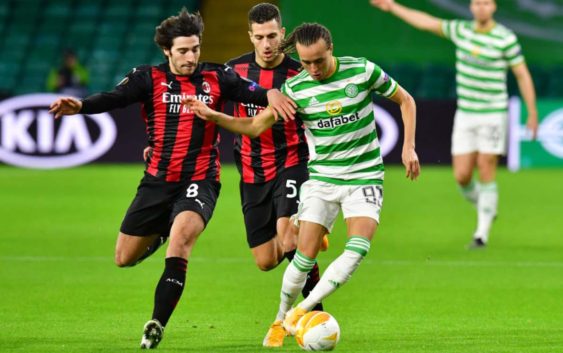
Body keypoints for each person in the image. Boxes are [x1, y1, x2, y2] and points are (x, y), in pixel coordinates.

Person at [48, 8, 295, 350]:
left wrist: (271, 93)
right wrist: (81, 106)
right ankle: (163, 228)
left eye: (195, 48)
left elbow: (252, 90)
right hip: (157, 181)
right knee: (124, 257)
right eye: (183, 50)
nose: (191, 56)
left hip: (201, 180)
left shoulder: (217, 76)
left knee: (182, 243)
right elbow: (114, 98)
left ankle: (156, 324)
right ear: (167, 50)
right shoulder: (147, 78)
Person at [185, 22, 420, 346]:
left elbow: (406, 100)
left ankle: (297, 313)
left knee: (357, 250)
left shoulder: (362, 72)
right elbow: (255, 126)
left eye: (318, 61)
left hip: (364, 176)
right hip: (322, 179)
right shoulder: (297, 89)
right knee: (302, 257)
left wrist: (408, 147)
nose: (312, 69)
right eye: (306, 63)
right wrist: (215, 117)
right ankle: (280, 319)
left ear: (330, 50)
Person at [370, 0, 538, 248]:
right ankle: (487, 207)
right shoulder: (461, 30)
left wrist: (532, 111)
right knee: (461, 176)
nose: (481, 7)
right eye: (477, 3)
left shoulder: (506, 38)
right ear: (472, 7)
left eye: (486, 3)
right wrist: (393, 7)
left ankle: (481, 234)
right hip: (466, 113)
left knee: (486, 165)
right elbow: (426, 22)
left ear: (493, 7)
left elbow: (522, 74)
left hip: (493, 113)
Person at [225, 4, 327, 346]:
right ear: (250, 37)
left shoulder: (301, 73)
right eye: (260, 37)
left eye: (272, 36)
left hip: (292, 161)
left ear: (283, 34)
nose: (267, 43)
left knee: (288, 241)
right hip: (252, 171)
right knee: (266, 260)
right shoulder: (233, 71)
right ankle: (312, 234)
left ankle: (314, 313)